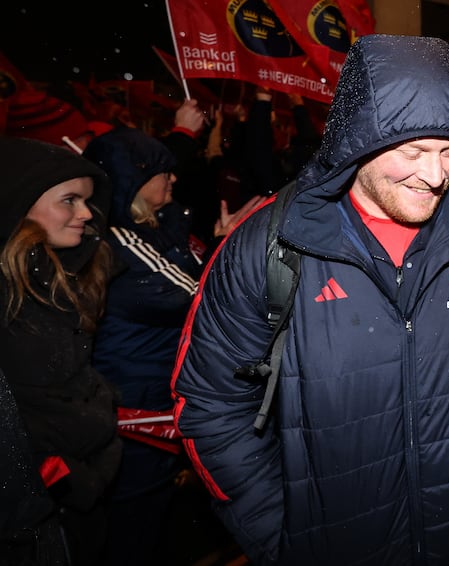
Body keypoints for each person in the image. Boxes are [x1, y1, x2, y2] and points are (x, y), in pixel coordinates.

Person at [172, 34, 449, 566]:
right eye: (414, 150)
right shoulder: (269, 246)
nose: (437, 173)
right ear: (358, 139)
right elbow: (209, 404)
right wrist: (279, 533)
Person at [81, 127, 261, 566]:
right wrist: (227, 243)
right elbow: (196, 295)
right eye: (164, 171)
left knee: (154, 516)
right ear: (134, 181)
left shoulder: (155, 227)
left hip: (155, 396)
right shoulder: (119, 241)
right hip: (136, 404)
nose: (174, 179)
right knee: (133, 524)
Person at [0, 137, 122, 565]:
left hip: (75, 497)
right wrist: (61, 475)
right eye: (69, 200)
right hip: (29, 515)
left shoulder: (64, 277)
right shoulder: (10, 294)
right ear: (17, 203)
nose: (86, 214)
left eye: (87, 201)